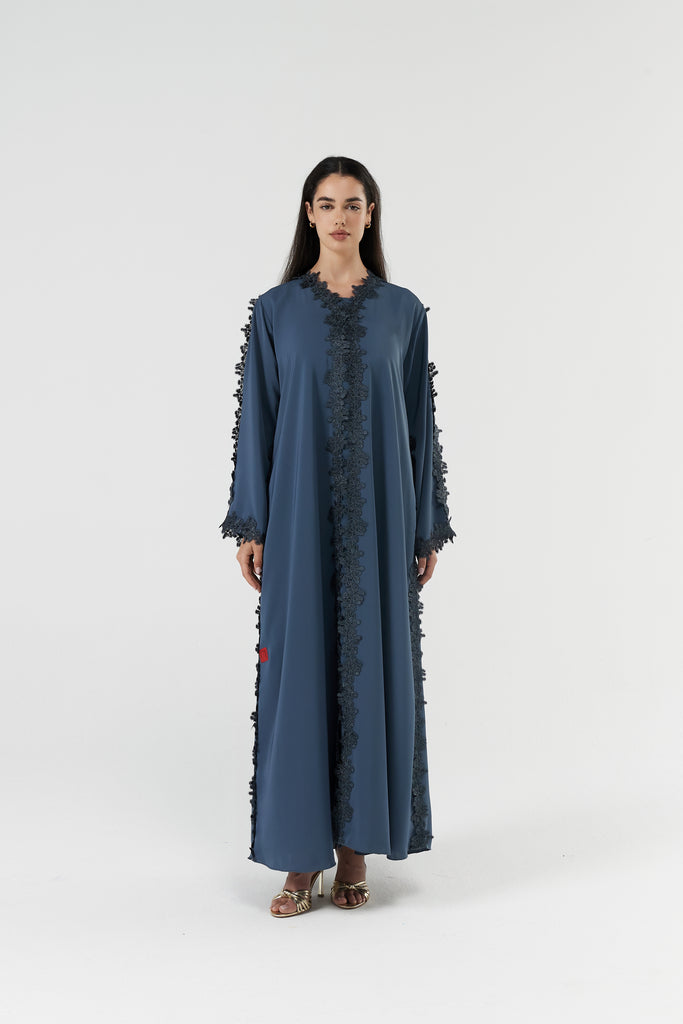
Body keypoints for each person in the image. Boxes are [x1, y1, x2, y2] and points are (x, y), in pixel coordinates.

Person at [219, 155, 456, 917]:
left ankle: (355, 850)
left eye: (353, 203)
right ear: (308, 214)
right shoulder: (275, 311)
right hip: (295, 517)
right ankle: (298, 860)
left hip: (382, 523)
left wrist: (423, 526)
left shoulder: (403, 311)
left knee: (373, 666)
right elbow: (257, 420)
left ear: (371, 213)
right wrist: (251, 522)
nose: (340, 217)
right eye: (326, 203)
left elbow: (418, 426)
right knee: (296, 672)